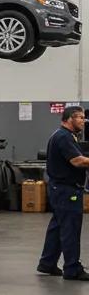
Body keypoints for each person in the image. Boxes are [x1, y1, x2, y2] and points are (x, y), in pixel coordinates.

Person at [37, 105, 89, 281]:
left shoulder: (66, 136)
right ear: (69, 119)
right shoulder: (63, 137)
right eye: (80, 117)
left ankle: (47, 263)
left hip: (60, 189)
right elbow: (78, 161)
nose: (84, 120)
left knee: (58, 227)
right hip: (67, 190)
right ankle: (72, 268)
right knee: (70, 229)